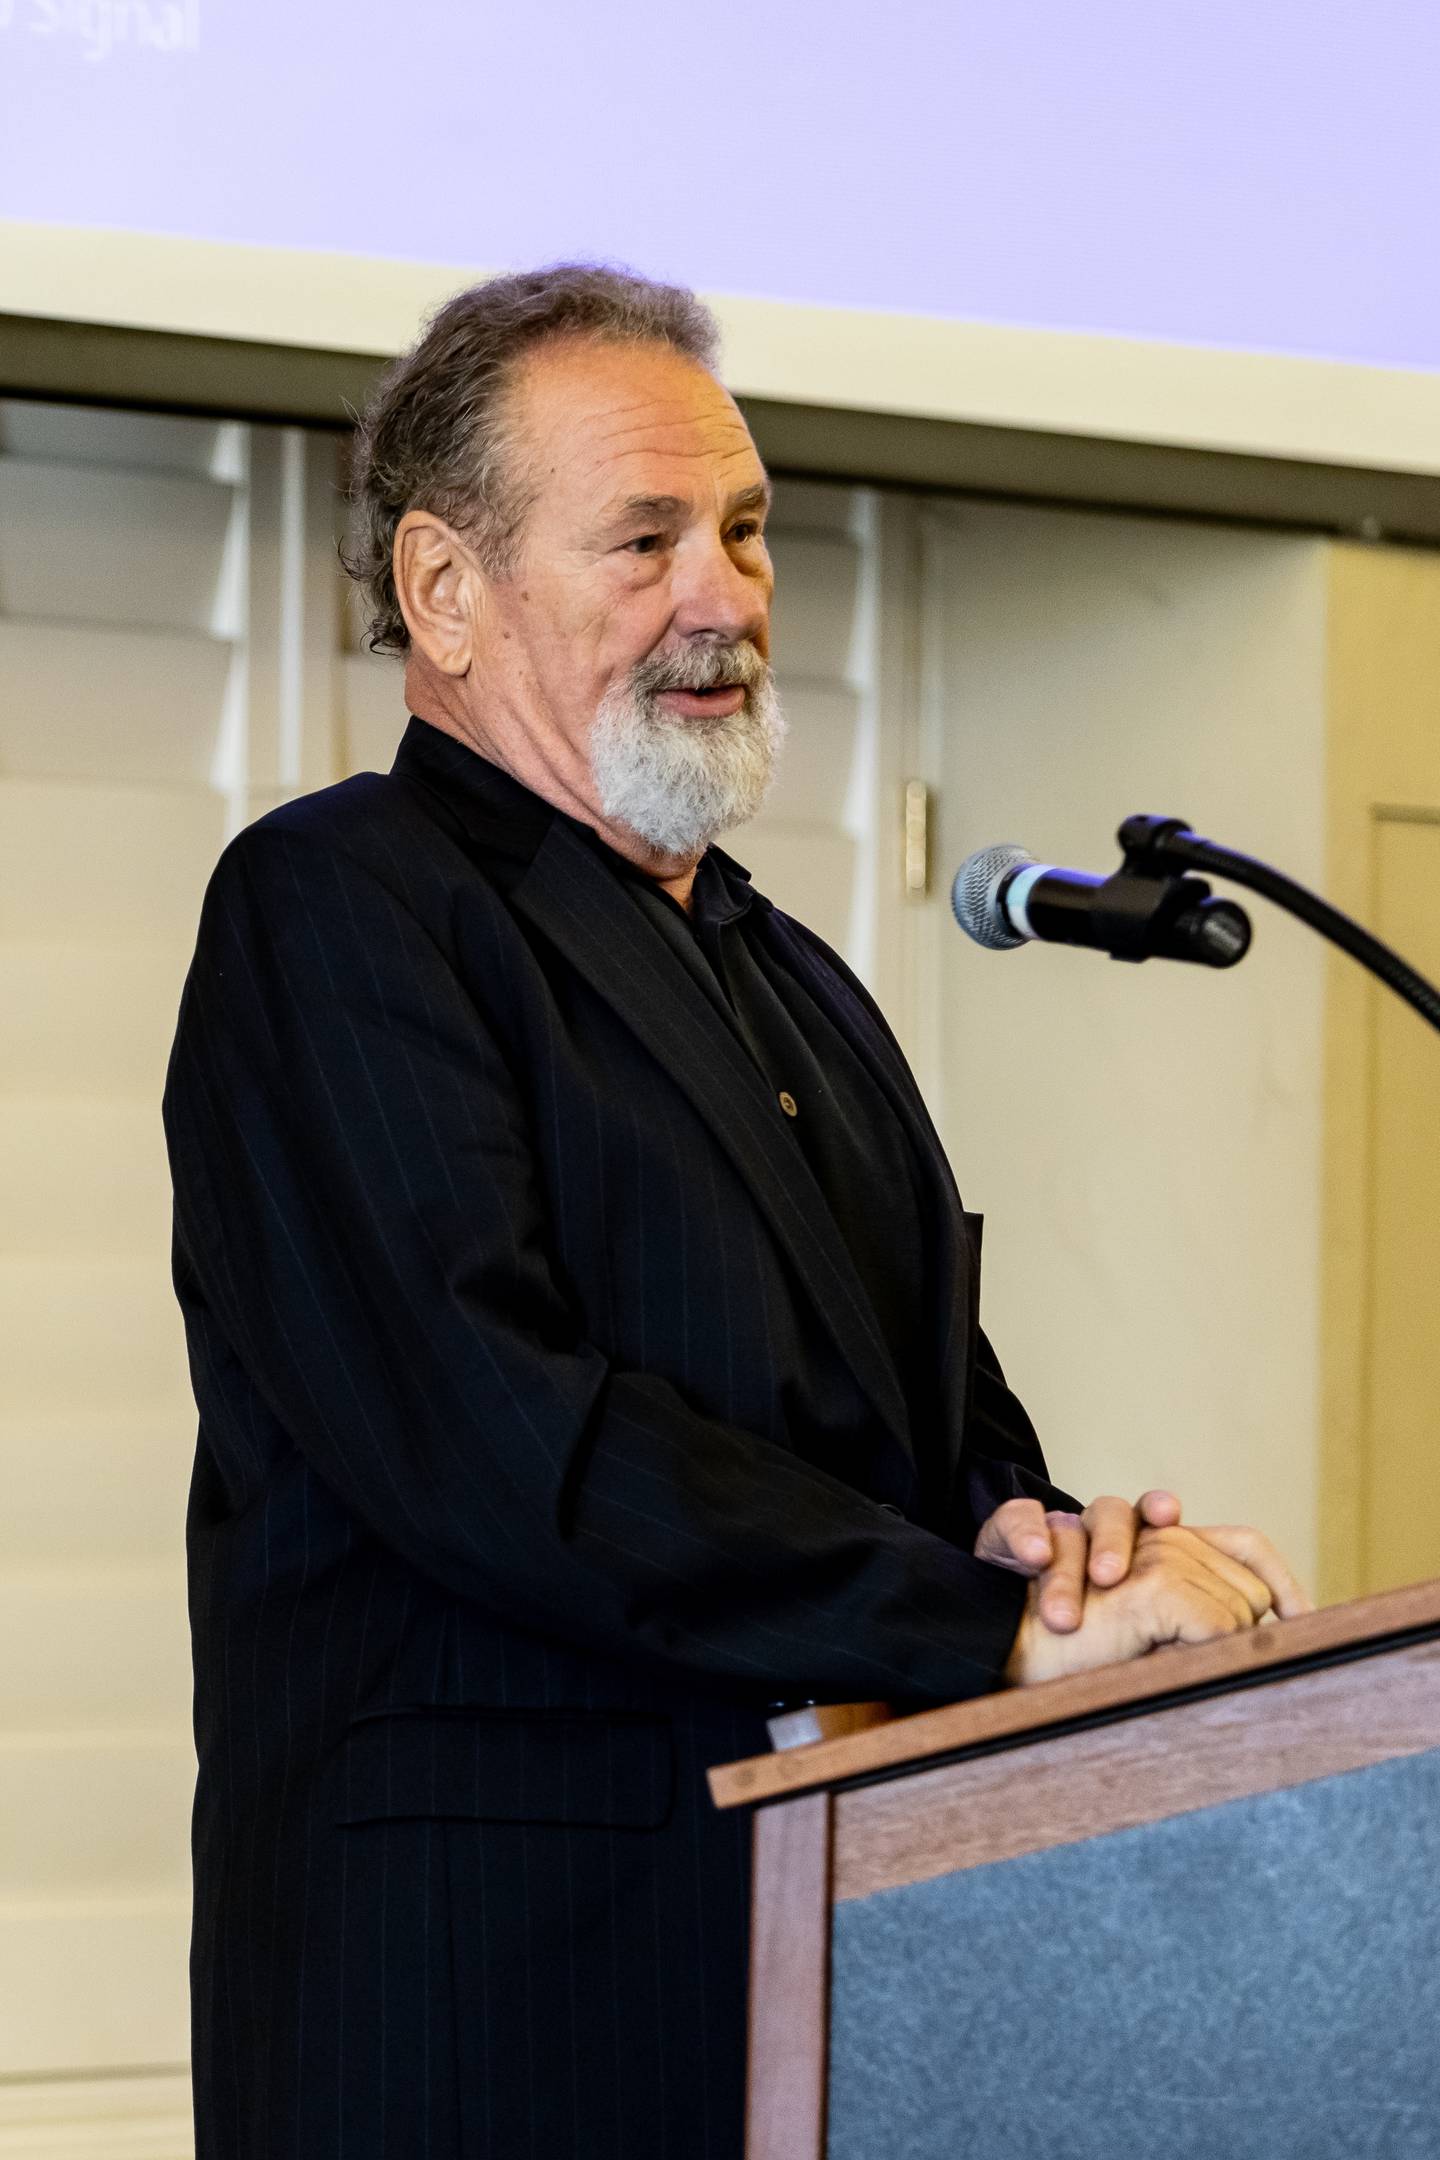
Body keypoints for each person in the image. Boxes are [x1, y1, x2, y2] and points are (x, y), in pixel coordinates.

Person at [163, 263, 1307, 2160]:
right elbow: (502, 1438)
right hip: (486, 2002)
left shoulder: (787, 969)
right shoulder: (340, 906)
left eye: (748, 531)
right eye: (645, 540)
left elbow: (938, 1405)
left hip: (809, 1972)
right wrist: (977, 1627)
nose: (728, 597)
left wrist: (1043, 1549)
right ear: (444, 590)